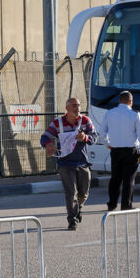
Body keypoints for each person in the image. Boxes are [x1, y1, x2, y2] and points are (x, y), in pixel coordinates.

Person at [40, 98, 97, 231]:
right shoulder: (57, 123)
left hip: (82, 162)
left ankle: (78, 209)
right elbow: (45, 137)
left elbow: (94, 137)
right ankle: (72, 220)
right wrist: (49, 144)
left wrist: (85, 138)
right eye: (74, 106)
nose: (77, 108)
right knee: (71, 192)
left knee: (83, 193)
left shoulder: (85, 121)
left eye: (78, 105)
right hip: (65, 162)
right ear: (67, 108)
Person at [101, 91, 140, 211]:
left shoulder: (110, 113)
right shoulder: (134, 114)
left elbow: (102, 133)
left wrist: (108, 144)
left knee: (115, 178)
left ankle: (111, 204)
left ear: (119, 101)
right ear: (131, 102)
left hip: (115, 151)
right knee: (129, 179)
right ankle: (126, 205)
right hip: (130, 152)